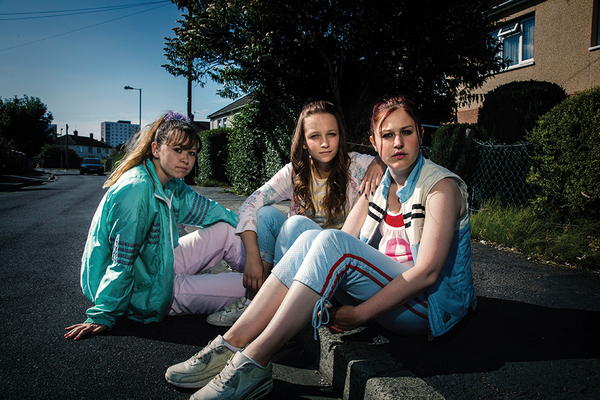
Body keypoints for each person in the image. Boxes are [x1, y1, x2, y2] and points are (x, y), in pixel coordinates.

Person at [164, 93, 477, 399]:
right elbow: (350, 238)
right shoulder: (380, 184)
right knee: (309, 234)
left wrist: (360, 315)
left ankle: (254, 361)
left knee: (328, 239)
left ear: (420, 135)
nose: (397, 142)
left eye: (406, 132)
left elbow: (427, 275)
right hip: (391, 294)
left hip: (425, 308)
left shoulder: (441, 188)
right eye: (387, 134)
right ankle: (230, 345)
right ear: (374, 142)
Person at [64, 112, 247, 340]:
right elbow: (122, 261)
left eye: (191, 153)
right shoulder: (137, 189)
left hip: (158, 265)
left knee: (227, 229)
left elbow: (210, 210)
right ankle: (278, 293)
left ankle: (276, 276)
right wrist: (104, 314)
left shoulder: (170, 184)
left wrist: (248, 227)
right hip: (144, 291)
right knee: (248, 289)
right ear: (155, 149)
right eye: (177, 150)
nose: (186, 159)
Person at [205, 99, 384, 327]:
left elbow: (398, 159)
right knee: (267, 216)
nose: (325, 143)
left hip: (339, 262)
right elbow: (251, 203)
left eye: (332, 134)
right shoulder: (295, 172)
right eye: (314, 136)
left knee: (295, 225)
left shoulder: (358, 166)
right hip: (301, 263)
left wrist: (379, 162)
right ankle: (257, 301)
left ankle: (265, 309)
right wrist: (252, 257)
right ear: (303, 142)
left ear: (341, 135)